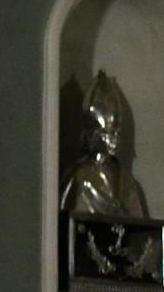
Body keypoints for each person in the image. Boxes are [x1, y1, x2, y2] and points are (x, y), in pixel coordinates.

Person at [61, 71, 151, 218]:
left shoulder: (128, 183)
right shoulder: (78, 178)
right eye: (109, 133)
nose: (115, 139)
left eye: (117, 133)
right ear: (94, 135)